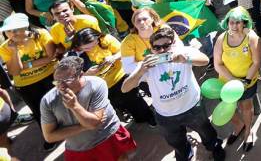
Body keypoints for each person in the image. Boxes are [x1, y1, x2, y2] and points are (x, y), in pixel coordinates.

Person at [121, 25, 225, 161]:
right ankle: (184, 155)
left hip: (193, 107)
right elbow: (125, 88)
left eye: (166, 46)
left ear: (173, 43)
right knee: (176, 142)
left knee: (206, 132)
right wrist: (141, 71)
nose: (162, 50)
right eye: (157, 48)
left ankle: (214, 147)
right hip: (166, 116)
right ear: (151, 49)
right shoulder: (146, 65)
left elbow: (205, 60)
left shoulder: (183, 52)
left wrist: (186, 59)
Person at [40, 55, 137, 160]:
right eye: (57, 82)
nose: (61, 86)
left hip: (108, 136)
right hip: (80, 148)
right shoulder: (48, 101)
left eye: (67, 80)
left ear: (81, 75)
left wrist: (74, 106)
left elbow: (93, 123)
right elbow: (49, 136)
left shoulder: (96, 84)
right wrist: (83, 127)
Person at [69, 27, 154, 126]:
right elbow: (73, 78)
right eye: (86, 48)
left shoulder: (106, 39)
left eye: (94, 44)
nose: (91, 49)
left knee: (135, 100)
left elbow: (124, 52)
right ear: (78, 46)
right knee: (118, 104)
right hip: (102, 86)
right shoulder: (75, 55)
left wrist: (114, 57)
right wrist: (87, 74)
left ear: (98, 37)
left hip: (120, 76)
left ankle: (148, 117)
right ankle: (135, 117)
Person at [0, 13, 56, 148]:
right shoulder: (5, 47)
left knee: (60, 104)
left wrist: (27, 65)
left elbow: (52, 57)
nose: (12, 34)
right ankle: (50, 137)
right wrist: (14, 51)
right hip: (26, 84)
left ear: (26, 27)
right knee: (39, 112)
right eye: (8, 31)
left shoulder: (41, 34)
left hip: (50, 76)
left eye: (15, 29)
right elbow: (14, 72)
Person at [213, 7, 260, 151]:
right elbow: (217, 64)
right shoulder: (221, 39)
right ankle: (239, 125)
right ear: (227, 23)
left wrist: (245, 81)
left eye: (238, 22)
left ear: (244, 23)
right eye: (231, 22)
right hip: (226, 83)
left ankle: (248, 131)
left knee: (246, 107)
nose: (234, 26)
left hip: (247, 81)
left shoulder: (252, 37)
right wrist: (233, 80)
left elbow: (256, 62)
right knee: (229, 108)